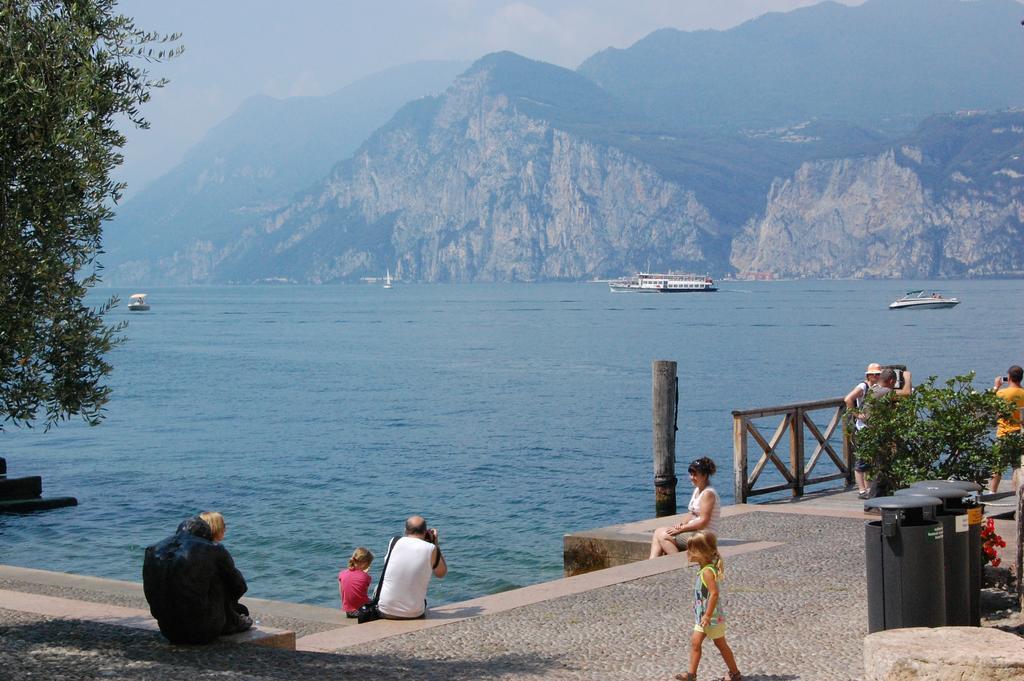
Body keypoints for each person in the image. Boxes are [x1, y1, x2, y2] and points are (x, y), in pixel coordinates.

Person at [143, 515, 253, 644]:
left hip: (168, 631)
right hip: (204, 630)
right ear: (205, 534)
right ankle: (231, 622)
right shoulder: (213, 549)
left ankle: (229, 616)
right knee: (219, 578)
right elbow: (239, 586)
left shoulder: (152, 550)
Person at [673, 531, 742, 681]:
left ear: (702, 552)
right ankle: (691, 675)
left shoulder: (707, 572)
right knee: (695, 643)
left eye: (691, 549)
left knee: (721, 645)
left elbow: (714, 594)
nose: (687, 552)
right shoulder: (704, 569)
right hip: (703, 617)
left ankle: (735, 673)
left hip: (711, 618)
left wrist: (708, 615)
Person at [649, 457, 722, 559]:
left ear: (705, 476)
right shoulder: (697, 490)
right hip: (695, 532)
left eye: (695, 474)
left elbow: (703, 521)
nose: (691, 477)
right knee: (658, 531)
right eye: (691, 474)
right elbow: (692, 513)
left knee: (663, 536)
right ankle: (652, 562)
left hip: (704, 537)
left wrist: (681, 530)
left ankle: (679, 562)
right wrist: (681, 525)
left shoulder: (708, 493)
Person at [377, 515, 447, 619]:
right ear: (425, 532)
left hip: (385, 610)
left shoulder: (394, 541)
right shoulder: (431, 548)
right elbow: (441, 573)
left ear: (405, 530)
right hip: (414, 613)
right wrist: (435, 543)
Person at [845, 363, 882, 498]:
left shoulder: (877, 387)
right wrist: (857, 414)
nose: (877, 376)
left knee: (870, 459)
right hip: (863, 428)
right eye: (875, 374)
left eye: (879, 374)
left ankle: (868, 488)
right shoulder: (863, 387)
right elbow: (848, 399)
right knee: (861, 460)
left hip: (873, 428)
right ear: (869, 375)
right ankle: (861, 490)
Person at [990, 366, 1024, 492]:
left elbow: (987, 403)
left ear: (1008, 377)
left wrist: (996, 386)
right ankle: (1017, 495)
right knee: (1017, 468)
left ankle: (991, 492)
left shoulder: (1001, 393)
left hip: (1004, 435)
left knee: (997, 466)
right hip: (1020, 435)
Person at [339, 547, 374, 617]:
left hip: (348, 612)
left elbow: (342, 592)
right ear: (365, 563)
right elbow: (363, 593)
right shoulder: (366, 577)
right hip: (362, 611)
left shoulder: (342, 573)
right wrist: (365, 574)